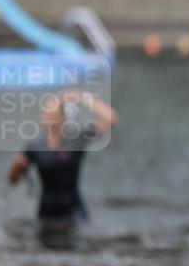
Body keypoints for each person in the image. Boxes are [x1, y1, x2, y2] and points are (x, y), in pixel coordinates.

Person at [7, 89, 117, 232]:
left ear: (62, 118)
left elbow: (111, 119)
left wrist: (82, 98)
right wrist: (16, 167)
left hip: (73, 210)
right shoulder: (35, 145)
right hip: (46, 210)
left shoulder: (76, 140)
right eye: (45, 112)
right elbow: (13, 180)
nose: (46, 115)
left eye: (51, 112)